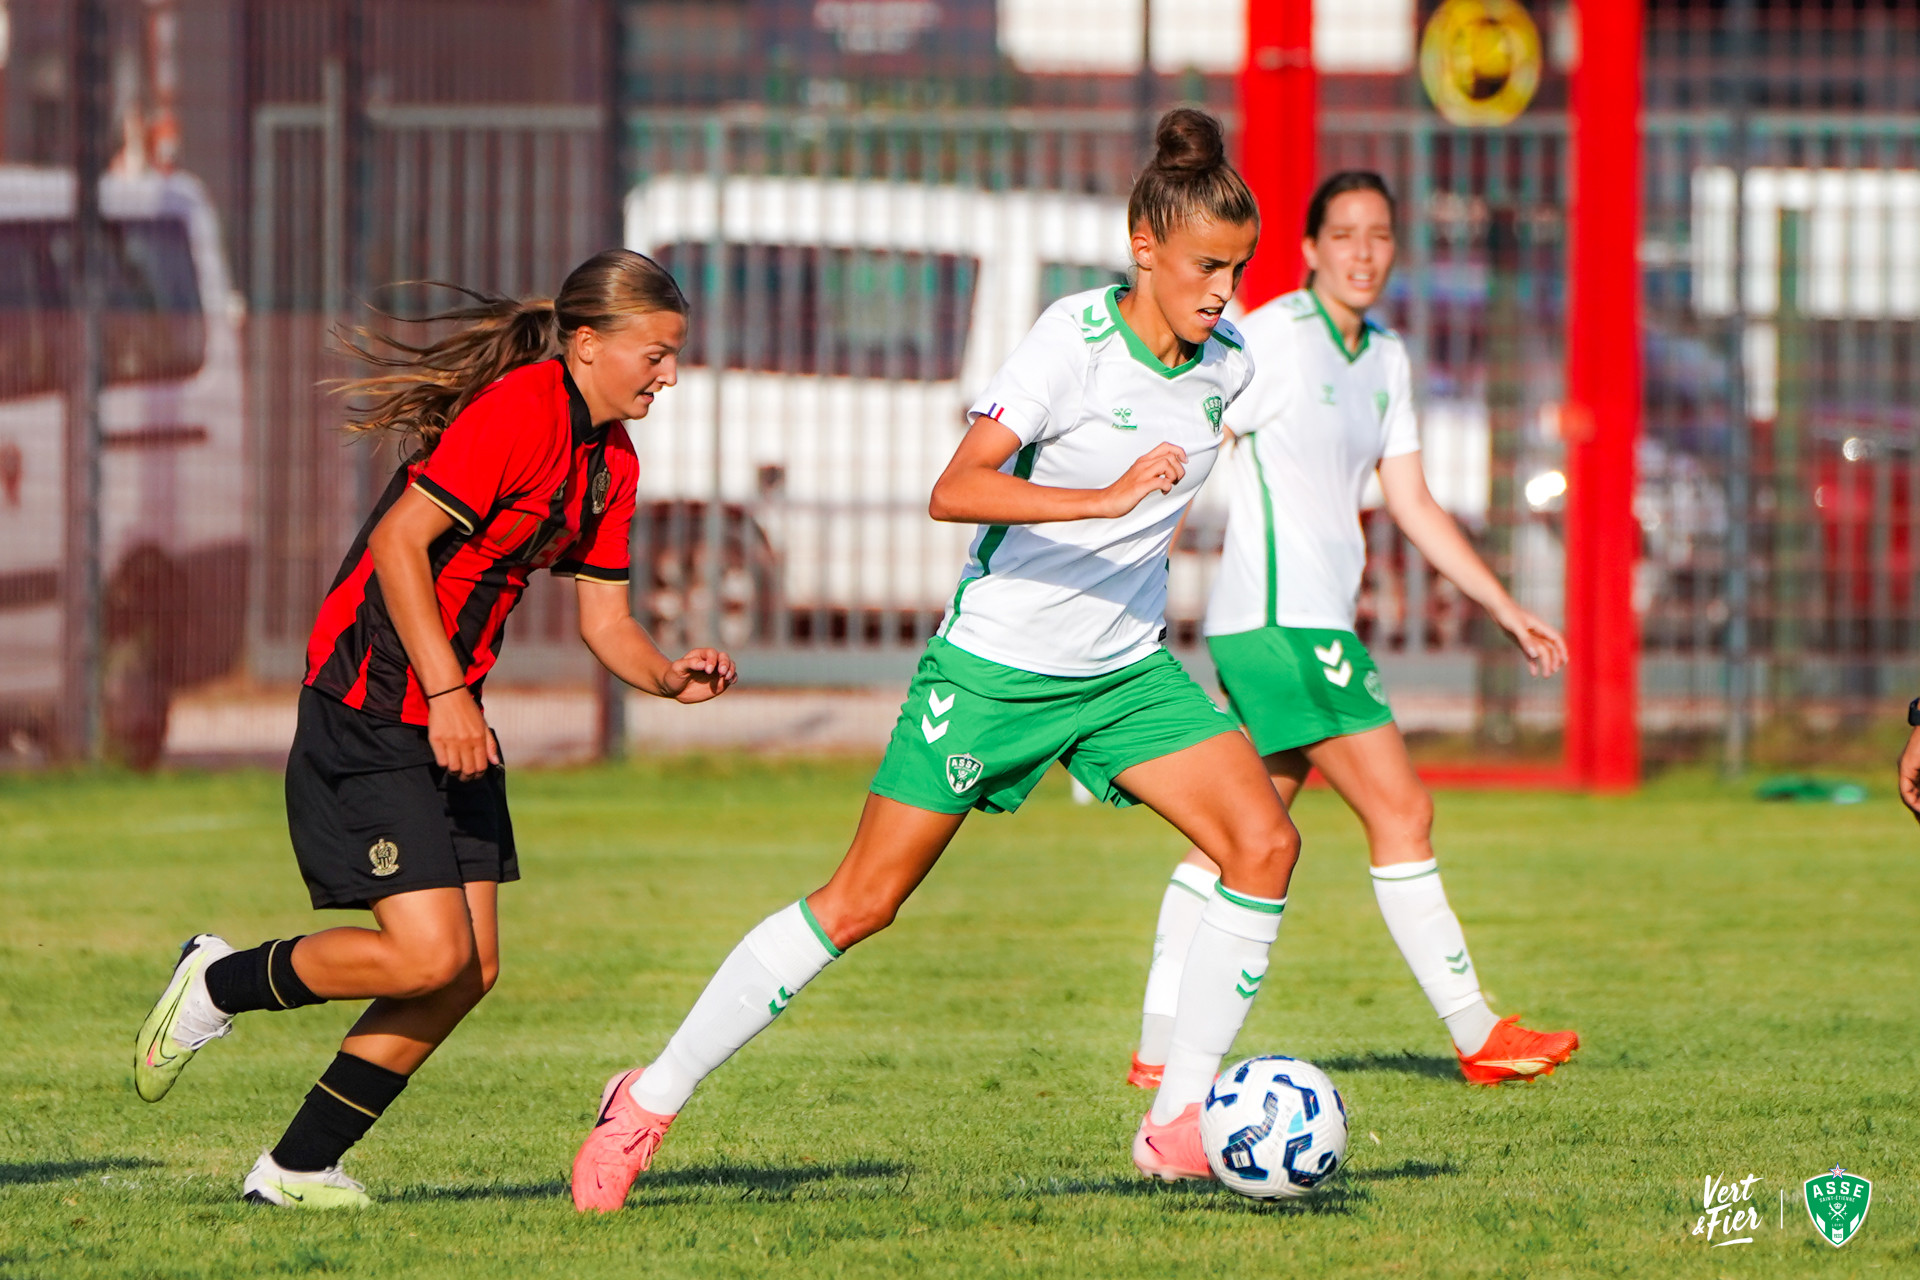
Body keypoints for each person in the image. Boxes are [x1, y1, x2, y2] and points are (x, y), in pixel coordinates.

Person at [571, 108, 1285, 1211]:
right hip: (995, 668)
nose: (1223, 290)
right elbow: (955, 488)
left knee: (1264, 840)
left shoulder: (1227, 366)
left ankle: (1175, 1118)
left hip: (1126, 674)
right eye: (1206, 267)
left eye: (1237, 270)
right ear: (1144, 248)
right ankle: (647, 1099)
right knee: (860, 902)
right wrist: (1098, 496)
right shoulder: (1071, 340)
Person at [131, 249, 738, 1208]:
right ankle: (217, 982)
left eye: (673, 355)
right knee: (427, 955)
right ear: (587, 345)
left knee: (468, 971)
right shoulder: (520, 410)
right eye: (655, 354)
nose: (669, 374)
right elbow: (398, 543)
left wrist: (668, 676)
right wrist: (451, 693)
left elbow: (605, 620)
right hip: (372, 701)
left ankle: (296, 1170)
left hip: (448, 715)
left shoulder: (609, 460)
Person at [1127, 172, 1579, 1092]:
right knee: (1402, 810)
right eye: (1344, 235)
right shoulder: (1273, 339)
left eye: (1379, 235)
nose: (1363, 253)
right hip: (1282, 623)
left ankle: (1158, 1042)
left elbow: (1409, 500)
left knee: (1240, 828)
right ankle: (1478, 1031)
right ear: (1310, 248)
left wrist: (1503, 604)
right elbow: (1191, 418)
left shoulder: (1387, 360)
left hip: (1298, 623)